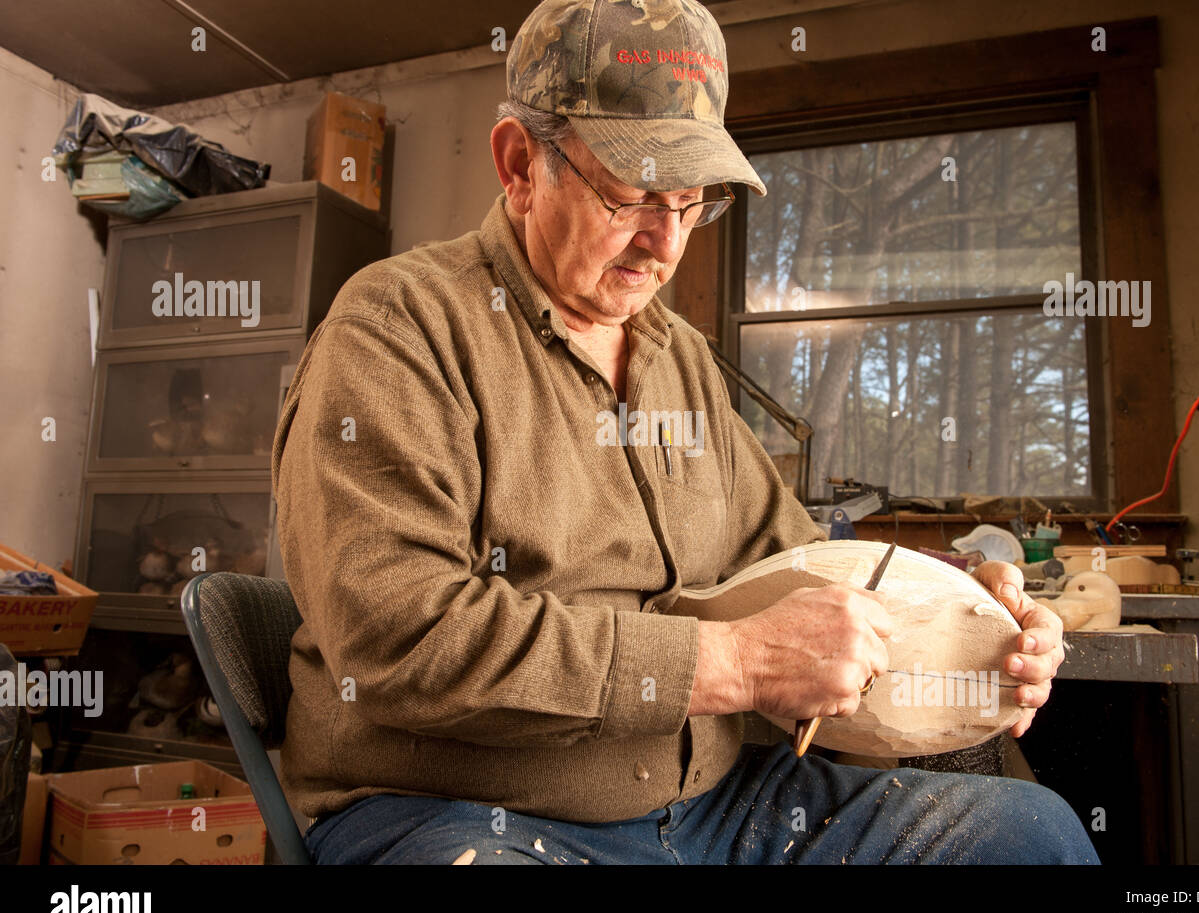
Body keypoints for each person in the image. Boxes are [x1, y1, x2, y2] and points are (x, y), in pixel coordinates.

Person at [270, 0, 1099, 864]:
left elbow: (797, 566)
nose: (663, 244)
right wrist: (730, 663)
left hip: (713, 806)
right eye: (631, 195)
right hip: (460, 808)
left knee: (1031, 834)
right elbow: (398, 635)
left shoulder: (685, 363)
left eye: (691, 201)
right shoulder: (397, 328)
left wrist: (963, 617)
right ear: (520, 164)